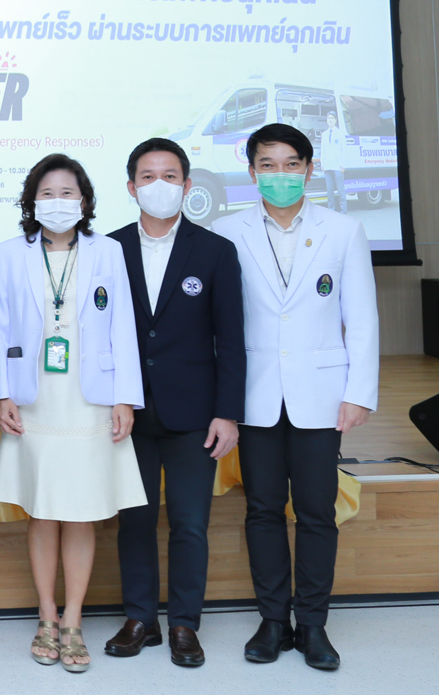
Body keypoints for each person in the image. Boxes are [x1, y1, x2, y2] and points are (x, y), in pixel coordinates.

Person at [212, 122, 377, 671]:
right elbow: (218, 323)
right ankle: (272, 621)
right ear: (251, 171)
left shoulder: (343, 230)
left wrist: (359, 392)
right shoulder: (226, 231)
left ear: (309, 168)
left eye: (290, 164)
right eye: (267, 164)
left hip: (321, 394)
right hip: (254, 394)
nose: (278, 174)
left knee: (316, 513)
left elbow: (362, 317)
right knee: (261, 510)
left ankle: (313, 624)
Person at [0, 153, 144, 673]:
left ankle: (73, 619)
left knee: (81, 510)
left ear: (85, 200)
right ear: (32, 201)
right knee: (43, 508)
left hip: (90, 397)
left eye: (68, 193)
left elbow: (123, 325)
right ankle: (46, 616)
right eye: (48, 193)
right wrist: (1, 394)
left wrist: (125, 397)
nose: (58, 202)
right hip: (33, 397)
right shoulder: (10, 253)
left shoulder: (109, 251)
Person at [104, 138, 244, 667]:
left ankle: (185, 623)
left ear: (186, 186)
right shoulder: (108, 248)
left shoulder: (214, 250)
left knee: (189, 523)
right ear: (131, 186)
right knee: (135, 521)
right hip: (128, 411)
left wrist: (227, 412)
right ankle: (140, 618)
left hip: (195, 414)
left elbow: (231, 338)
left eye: (169, 176)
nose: (158, 185)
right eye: (147, 176)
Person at [317, 112, 346, 214]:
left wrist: (343, 165)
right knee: (329, 191)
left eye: (332, 118)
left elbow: (344, 150)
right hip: (328, 166)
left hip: (338, 166)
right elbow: (323, 149)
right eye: (328, 118)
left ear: (335, 120)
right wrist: (322, 164)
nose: (330, 120)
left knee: (340, 190)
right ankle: (331, 211)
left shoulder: (340, 133)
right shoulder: (325, 134)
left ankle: (343, 212)